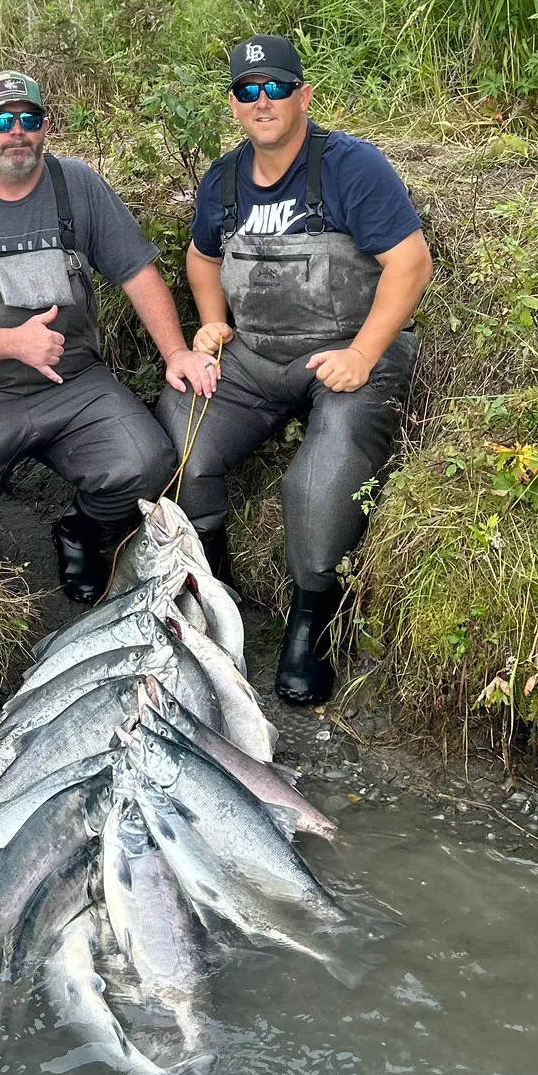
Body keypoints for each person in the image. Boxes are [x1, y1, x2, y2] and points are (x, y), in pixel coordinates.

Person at [156, 35, 432, 704]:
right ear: (233, 104)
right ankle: (212, 593)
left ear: (303, 95)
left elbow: (411, 263)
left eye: (276, 87)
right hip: (255, 355)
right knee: (181, 440)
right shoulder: (222, 180)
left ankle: (313, 622)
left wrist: (363, 353)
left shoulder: (352, 167)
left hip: (346, 350)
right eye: (248, 91)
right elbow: (201, 258)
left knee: (317, 480)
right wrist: (211, 319)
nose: (263, 101)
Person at [0, 69, 218, 603]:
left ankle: (82, 530)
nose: (16, 131)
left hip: (73, 382)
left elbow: (138, 273)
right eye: (0, 121)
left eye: (28, 119)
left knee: (148, 465)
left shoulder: (78, 186)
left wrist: (176, 351)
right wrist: (12, 343)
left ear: (45, 127)